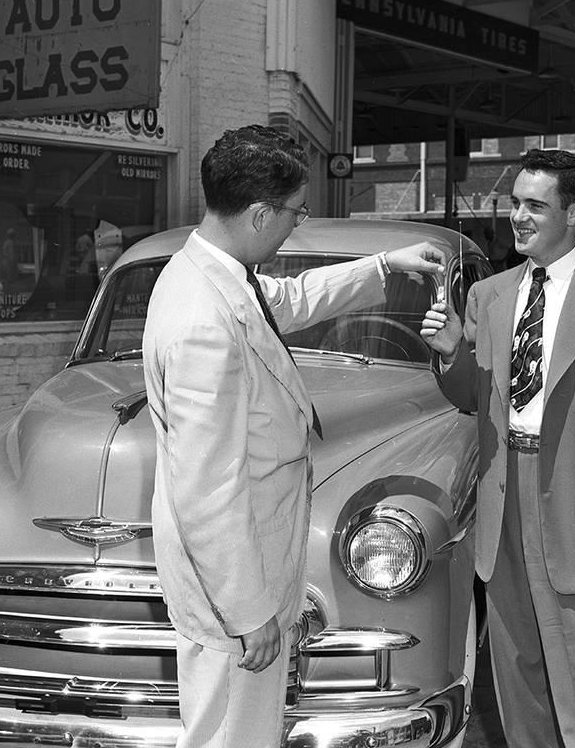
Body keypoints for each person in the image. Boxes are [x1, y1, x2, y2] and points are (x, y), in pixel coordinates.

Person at [141, 125, 444, 748]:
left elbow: (290, 298)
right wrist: (249, 614)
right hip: (235, 583)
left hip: (244, 564)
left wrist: (384, 266)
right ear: (259, 214)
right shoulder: (206, 323)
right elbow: (209, 488)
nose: (296, 226)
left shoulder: (208, 271)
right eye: (295, 214)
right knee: (232, 734)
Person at [420, 149, 575, 748]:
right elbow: (473, 398)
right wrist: (452, 350)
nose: (519, 217)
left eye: (535, 205)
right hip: (502, 500)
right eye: (515, 203)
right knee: (516, 674)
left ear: (574, 211)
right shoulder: (490, 296)